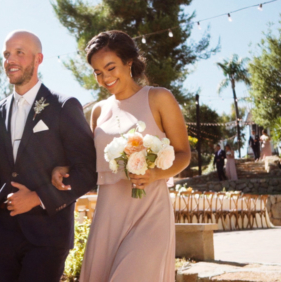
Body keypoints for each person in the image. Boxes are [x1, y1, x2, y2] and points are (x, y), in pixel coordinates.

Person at [52, 30, 190, 282]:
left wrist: (155, 174)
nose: (105, 77)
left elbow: (184, 154)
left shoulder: (159, 98)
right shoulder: (99, 111)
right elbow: (92, 163)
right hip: (109, 215)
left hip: (150, 213)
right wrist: (64, 168)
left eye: (110, 67)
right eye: (97, 72)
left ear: (129, 62)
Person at [0, 30, 97, 282]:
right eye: (6, 54)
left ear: (38, 59)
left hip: (47, 235)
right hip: (0, 236)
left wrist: (37, 198)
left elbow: (87, 171)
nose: (10, 60)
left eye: (19, 53)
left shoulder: (64, 106)